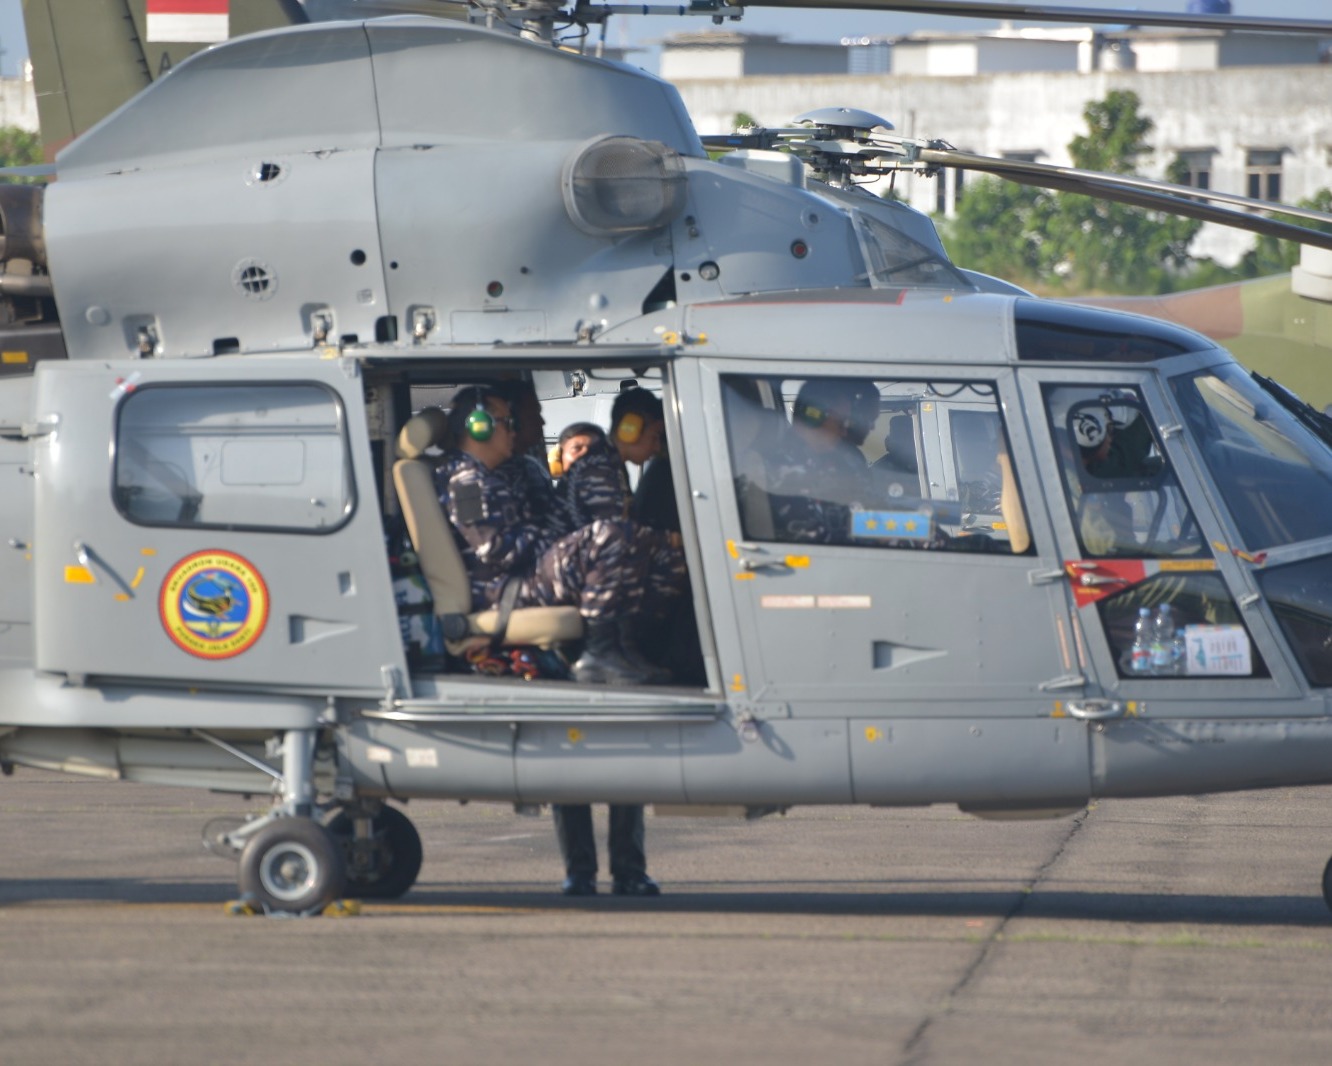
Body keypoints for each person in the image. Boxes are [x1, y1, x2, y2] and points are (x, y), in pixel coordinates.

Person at [550, 387, 684, 898]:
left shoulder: (611, 468)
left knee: (586, 756)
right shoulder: (603, 469)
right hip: (591, 623)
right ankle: (607, 870)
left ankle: (594, 871)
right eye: (652, 433)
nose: (655, 446)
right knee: (590, 755)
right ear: (629, 427)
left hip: (601, 619)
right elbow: (612, 540)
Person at [434, 385, 651, 686]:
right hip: (504, 590)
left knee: (637, 542)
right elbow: (494, 548)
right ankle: (597, 655)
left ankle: (625, 648)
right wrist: (557, 539)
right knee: (607, 535)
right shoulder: (467, 482)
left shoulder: (487, 475)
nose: (514, 432)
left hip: (521, 578)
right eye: (508, 423)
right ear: (480, 428)